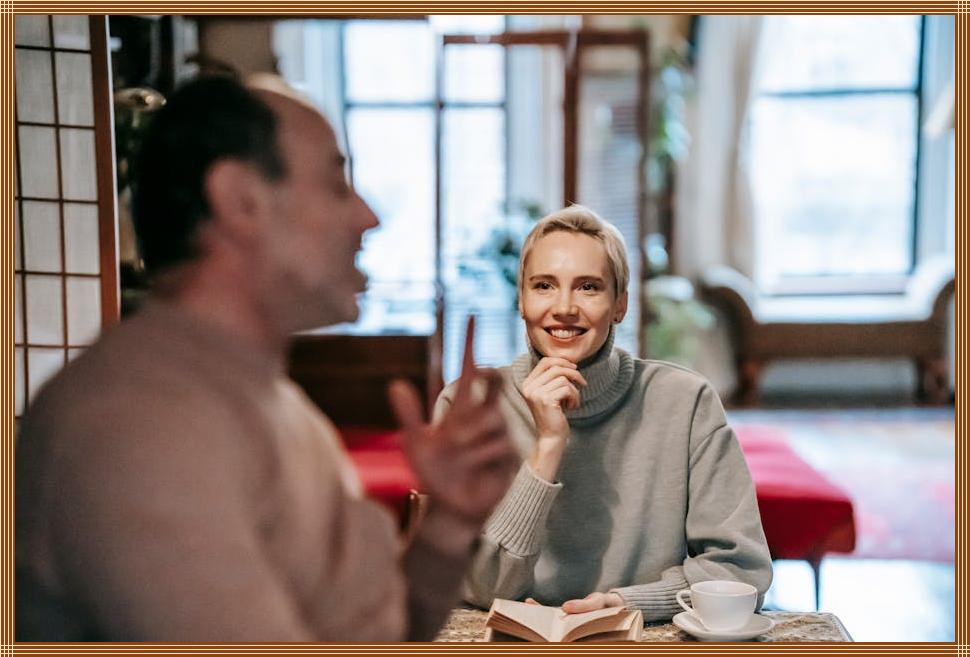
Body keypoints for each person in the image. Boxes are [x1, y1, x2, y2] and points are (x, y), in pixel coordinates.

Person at [15, 74, 516, 641]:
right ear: (241, 201)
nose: (367, 216)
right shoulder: (134, 422)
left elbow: (374, 632)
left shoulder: (269, 395)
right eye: (336, 184)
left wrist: (448, 525)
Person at [433, 205, 772, 621]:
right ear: (521, 299)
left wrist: (629, 603)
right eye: (544, 286)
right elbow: (474, 583)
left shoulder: (686, 403)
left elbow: (740, 573)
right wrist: (548, 446)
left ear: (620, 305)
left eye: (588, 287)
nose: (564, 307)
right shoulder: (466, 405)